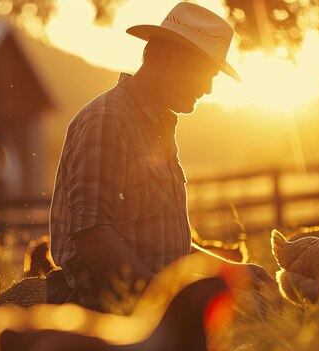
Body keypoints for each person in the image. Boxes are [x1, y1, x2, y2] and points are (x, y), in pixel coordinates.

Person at [47, 2, 273, 312]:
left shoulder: (155, 125)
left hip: (146, 296)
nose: (207, 89)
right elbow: (91, 234)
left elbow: (166, 246)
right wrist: (162, 299)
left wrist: (230, 271)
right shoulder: (108, 121)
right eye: (205, 74)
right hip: (109, 303)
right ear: (169, 59)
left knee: (262, 308)